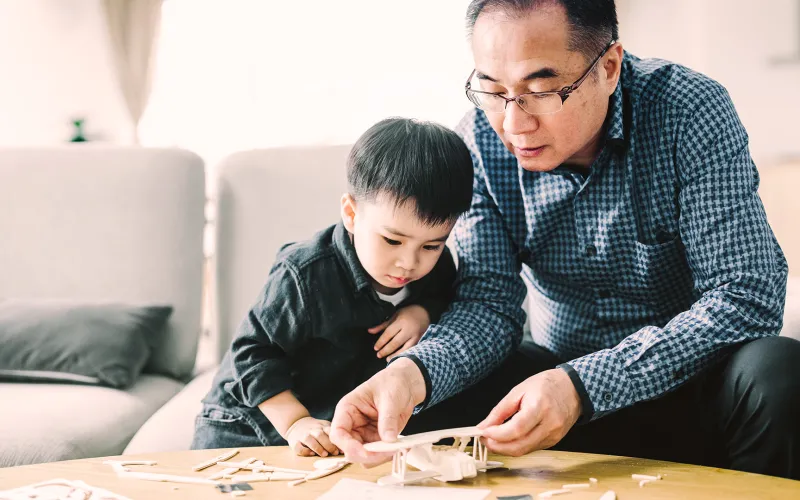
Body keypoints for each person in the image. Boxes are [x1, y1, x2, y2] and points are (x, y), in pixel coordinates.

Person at [331, 0, 800, 479]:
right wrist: (415, 373)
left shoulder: (688, 111)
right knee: (414, 393)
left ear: (610, 66)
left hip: (691, 386)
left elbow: (747, 293)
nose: (514, 125)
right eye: (492, 90)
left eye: (541, 90)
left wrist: (584, 385)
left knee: (780, 374)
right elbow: (487, 304)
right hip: (545, 388)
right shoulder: (477, 142)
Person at [192, 117, 474, 457]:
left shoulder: (436, 266)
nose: (409, 262)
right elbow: (251, 355)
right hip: (250, 424)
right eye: (391, 240)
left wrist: (421, 312)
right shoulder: (304, 273)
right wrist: (296, 422)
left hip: (330, 426)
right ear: (351, 214)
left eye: (431, 246)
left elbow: (446, 294)